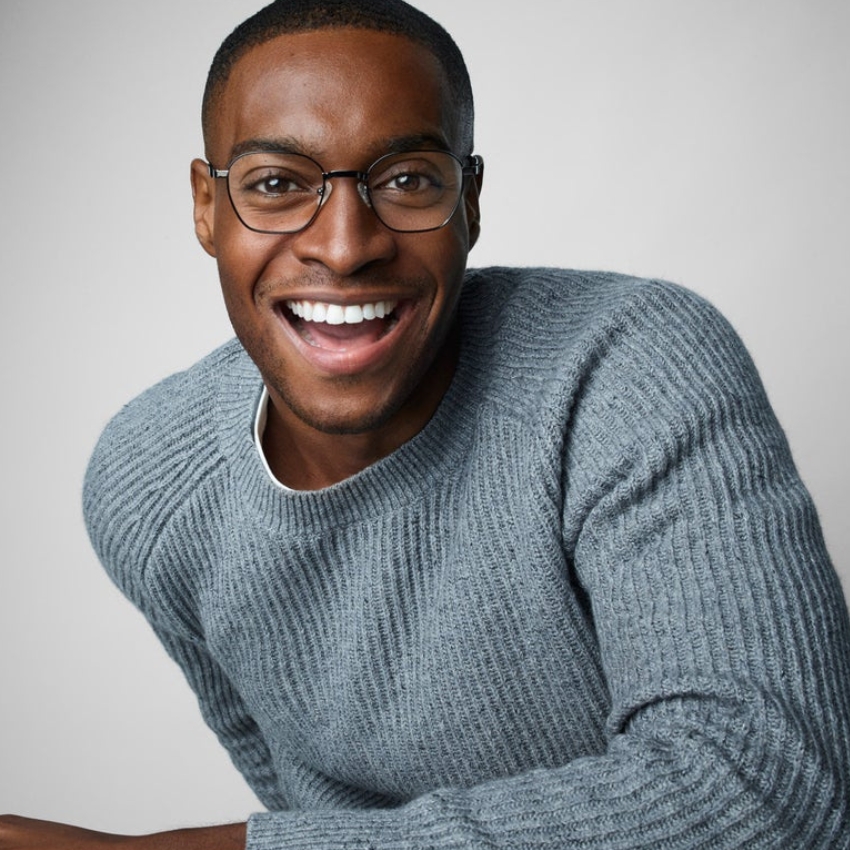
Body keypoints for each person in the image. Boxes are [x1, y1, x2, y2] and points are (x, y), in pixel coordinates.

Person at [3, 0, 849, 847]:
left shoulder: (624, 371)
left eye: (407, 179)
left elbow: (771, 794)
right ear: (205, 207)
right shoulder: (149, 487)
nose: (344, 246)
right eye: (276, 184)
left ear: (470, 203)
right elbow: (324, 820)